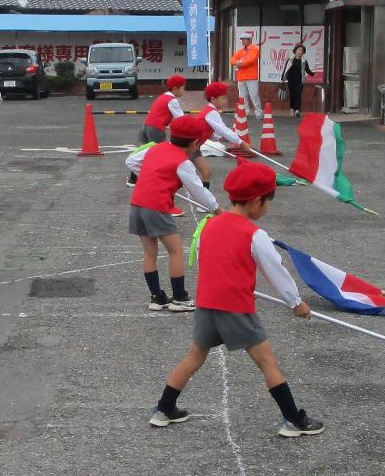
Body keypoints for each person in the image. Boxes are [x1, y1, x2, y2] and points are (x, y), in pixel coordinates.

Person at [147, 159, 321, 437]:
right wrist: (295, 302)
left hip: (207, 304)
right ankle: (293, 419)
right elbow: (275, 270)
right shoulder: (255, 235)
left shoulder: (209, 226)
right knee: (267, 362)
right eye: (269, 201)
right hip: (236, 308)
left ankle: (163, 409)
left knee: (193, 357)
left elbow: (209, 261)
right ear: (255, 201)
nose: (269, 207)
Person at [125, 113, 214, 313]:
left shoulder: (156, 149)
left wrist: (153, 177)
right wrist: (216, 208)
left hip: (137, 205)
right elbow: (198, 190)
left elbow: (131, 161)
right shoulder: (183, 162)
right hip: (156, 207)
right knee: (175, 251)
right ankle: (180, 297)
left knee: (149, 252)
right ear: (195, 143)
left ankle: (157, 297)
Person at [142, 73, 188, 141]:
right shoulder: (172, 100)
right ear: (175, 88)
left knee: (152, 150)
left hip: (147, 126)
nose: (184, 91)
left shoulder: (163, 96)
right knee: (160, 150)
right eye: (183, 88)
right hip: (156, 130)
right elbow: (181, 118)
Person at [230, 32, 262, 130]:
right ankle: (245, 112)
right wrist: (238, 62)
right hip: (241, 77)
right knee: (242, 96)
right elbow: (232, 59)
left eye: (244, 39)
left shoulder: (254, 49)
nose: (243, 41)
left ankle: (258, 113)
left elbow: (250, 60)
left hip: (251, 77)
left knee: (254, 95)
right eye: (242, 39)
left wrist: (239, 63)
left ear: (249, 40)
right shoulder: (240, 51)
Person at [284, 40, 309, 116]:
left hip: (300, 80)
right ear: (295, 51)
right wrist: (283, 77)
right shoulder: (290, 59)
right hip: (291, 80)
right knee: (292, 95)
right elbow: (285, 68)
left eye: (302, 50)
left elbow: (307, 69)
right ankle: (292, 108)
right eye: (299, 50)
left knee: (298, 95)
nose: (300, 52)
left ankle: (297, 110)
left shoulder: (304, 61)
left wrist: (313, 74)